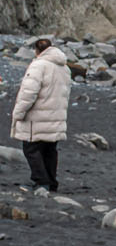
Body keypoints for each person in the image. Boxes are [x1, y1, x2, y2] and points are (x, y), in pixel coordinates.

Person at [10, 38, 71, 192]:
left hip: (37, 117)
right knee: (50, 150)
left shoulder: (38, 65)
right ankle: (51, 182)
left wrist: (18, 113)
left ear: (37, 50)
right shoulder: (64, 68)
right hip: (56, 115)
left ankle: (41, 182)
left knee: (31, 149)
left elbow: (28, 93)